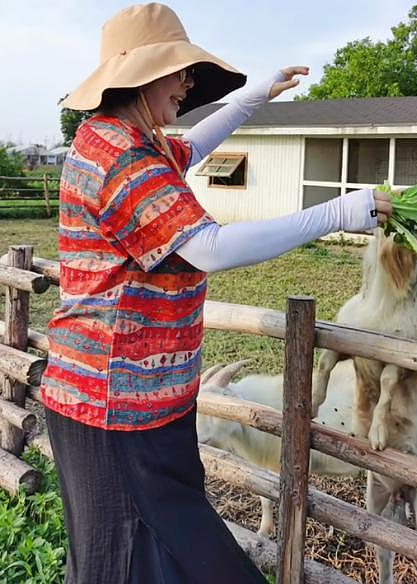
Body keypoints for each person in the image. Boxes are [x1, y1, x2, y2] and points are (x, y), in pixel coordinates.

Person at [41, 3, 392, 583]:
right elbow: (211, 248)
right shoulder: (122, 157)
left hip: (138, 407)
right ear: (143, 75)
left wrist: (255, 98)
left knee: (139, 566)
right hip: (113, 411)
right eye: (178, 72)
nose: (186, 84)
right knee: (145, 566)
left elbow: (191, 148)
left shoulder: (128, 140)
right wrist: (338, 210)